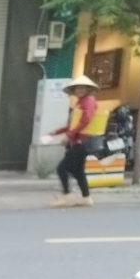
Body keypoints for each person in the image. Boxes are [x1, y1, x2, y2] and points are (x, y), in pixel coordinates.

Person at [46, 74, 106, 208]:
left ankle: (67, 196)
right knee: (78, 171)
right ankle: (86, 198)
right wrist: (56, 132)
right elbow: (73, 124)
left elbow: (86, 120)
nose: (80, 90)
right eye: (77, 88)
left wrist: (69, 135)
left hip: (84, 142)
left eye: (83, 88)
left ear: (88, 89)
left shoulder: (88, 101)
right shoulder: (80, 102)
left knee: (62, 168)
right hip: (80, 142)